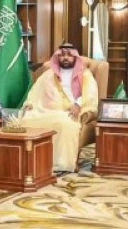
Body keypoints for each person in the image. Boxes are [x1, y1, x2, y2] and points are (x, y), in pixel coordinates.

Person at [21, 42, 98, 173]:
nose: (66, 57)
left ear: (75, 57)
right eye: (62, 55)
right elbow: (35, 92)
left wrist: (78, 104)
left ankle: (60, 163)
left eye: (69, 55)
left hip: (70, 112)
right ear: (57, 57)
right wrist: (29, 104)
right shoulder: (48, 74)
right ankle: (34, 160)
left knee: (65, 123)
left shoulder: (84, 74)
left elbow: (90, 93)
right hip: (46, 111)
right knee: (25, 120)